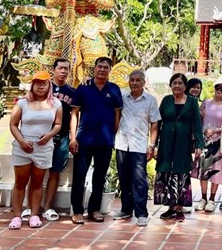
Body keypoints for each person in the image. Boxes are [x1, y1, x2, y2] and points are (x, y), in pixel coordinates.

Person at [69, 56, 123, 224]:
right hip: (84, 140)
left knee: (99, 177)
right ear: (94, 68)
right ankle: (77, 211)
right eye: (99, 66)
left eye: (105, 67)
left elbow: (117, 116)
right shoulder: (83, 87)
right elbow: (74, 114)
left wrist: (111, 136)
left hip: (105, 142)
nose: (102, 70)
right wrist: (73, 138)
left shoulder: (114, 89)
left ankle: (94, 209)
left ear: (109, 70)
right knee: (79, 176)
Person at [8, 72, 63, 230]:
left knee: (38, 183)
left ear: (49, 85)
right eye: (37, 83)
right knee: (20, 182)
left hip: (43, 147)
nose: (41, 86)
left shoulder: (56, 104)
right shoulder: (22, 103)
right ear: (32, 85)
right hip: (23, 147)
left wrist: (49, 135)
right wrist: (22, 141)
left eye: (44, 83)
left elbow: (58, 124)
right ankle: (17, 216)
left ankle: (34, 214)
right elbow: (13, 124)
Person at [154, 72, 204, 221]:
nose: (177, 86)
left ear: (185, 86)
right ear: (170, 86)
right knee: (167, 171)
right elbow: (158, 122)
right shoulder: (166, 100)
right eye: (174, 83)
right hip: (166, 142)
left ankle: (180, 208)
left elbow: (197, 124)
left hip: (184, 143)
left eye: (180, 83)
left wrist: (200, 144)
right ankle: (170, 207)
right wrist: (154, 144)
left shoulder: (192, 102)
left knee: (181, 172)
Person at [113, 69, 160, 226]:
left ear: (143, 82)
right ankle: (126, 209)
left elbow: (154, 123)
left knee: (139, 180)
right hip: (121, 143)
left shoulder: (150, 100)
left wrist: (151, 145)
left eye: (138, 80)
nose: (134, 83)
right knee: (124, 178)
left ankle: (141, 213)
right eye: (132, 80)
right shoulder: (123, 97)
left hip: (139, 146)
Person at [41, 58, 76, 222]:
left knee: (55, 172)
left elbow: (73, 116)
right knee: (37, 172)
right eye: (60, 68)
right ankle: (31, 207)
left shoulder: (72, 92)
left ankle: (47, 206)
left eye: (66, 69)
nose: (63, 71)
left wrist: (72, 137)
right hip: (41, 136)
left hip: (61, 136)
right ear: (53, 70)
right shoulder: (43, 88)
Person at [194, 77, 222, 213]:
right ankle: (203, 197)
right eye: (218, 88)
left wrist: (216, 130)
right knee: (203, 169)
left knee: (216, 169)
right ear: (214, 88)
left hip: (218, 142)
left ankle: (212, 198)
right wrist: (200, 115)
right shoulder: (206, 103)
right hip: (205, 141)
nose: (220, 91)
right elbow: (197, 118)